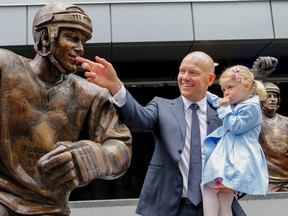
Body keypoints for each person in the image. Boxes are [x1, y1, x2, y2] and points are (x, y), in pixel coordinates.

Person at [0, 2, 132, 215]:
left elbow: (121, 146)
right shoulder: (5, 67)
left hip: (51, 207)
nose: (80, 48)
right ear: (45, 38)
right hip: (3, 195)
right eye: (71, 37)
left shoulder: (91, 94)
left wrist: (93, 157)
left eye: (83, 41)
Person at [76, 51, 246, 216]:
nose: (185, 77)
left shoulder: (227, 115)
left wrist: (237, 186)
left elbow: (247, 155)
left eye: (193, 73)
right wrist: (114, 84)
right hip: (170, 208)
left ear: (210, 79)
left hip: (216, 207)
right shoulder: (161, 106)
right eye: (182, 71)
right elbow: (138, 120)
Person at [201, 65, 269, 216]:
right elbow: (217, 101)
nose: (226, 92)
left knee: (209, 188)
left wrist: (223, 108)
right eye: (224, 89)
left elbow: (236, 126)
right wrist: (204, 91)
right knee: (223, 197)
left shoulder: (251, 107)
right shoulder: (238, 104)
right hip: (230, 158)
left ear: (246, 85)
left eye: (230, 87)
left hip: (237, 158)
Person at [259, 82, 288, 192]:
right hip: (267, 181)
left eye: (275, 96)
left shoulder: (286, 122)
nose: (272, 99)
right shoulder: (256, 121)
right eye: (268, 96)